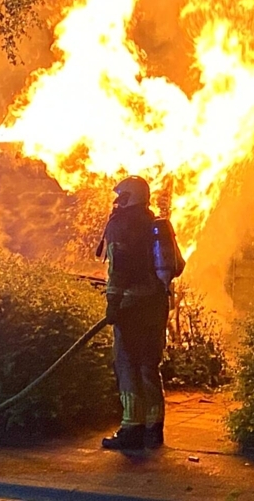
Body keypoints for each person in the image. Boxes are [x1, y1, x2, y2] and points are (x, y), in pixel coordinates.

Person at [99, 176, 175, 450]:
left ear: (129, 197)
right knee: (149, 365)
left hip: (131, 308)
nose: (117, 201)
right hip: (156, 306)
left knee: (126, 364)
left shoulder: (121, 225)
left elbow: (118, 269)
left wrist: (112, 302)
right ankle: (153, 429)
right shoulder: (154, 224)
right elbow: (175, 267)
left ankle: (132, 428)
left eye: (121, 196)